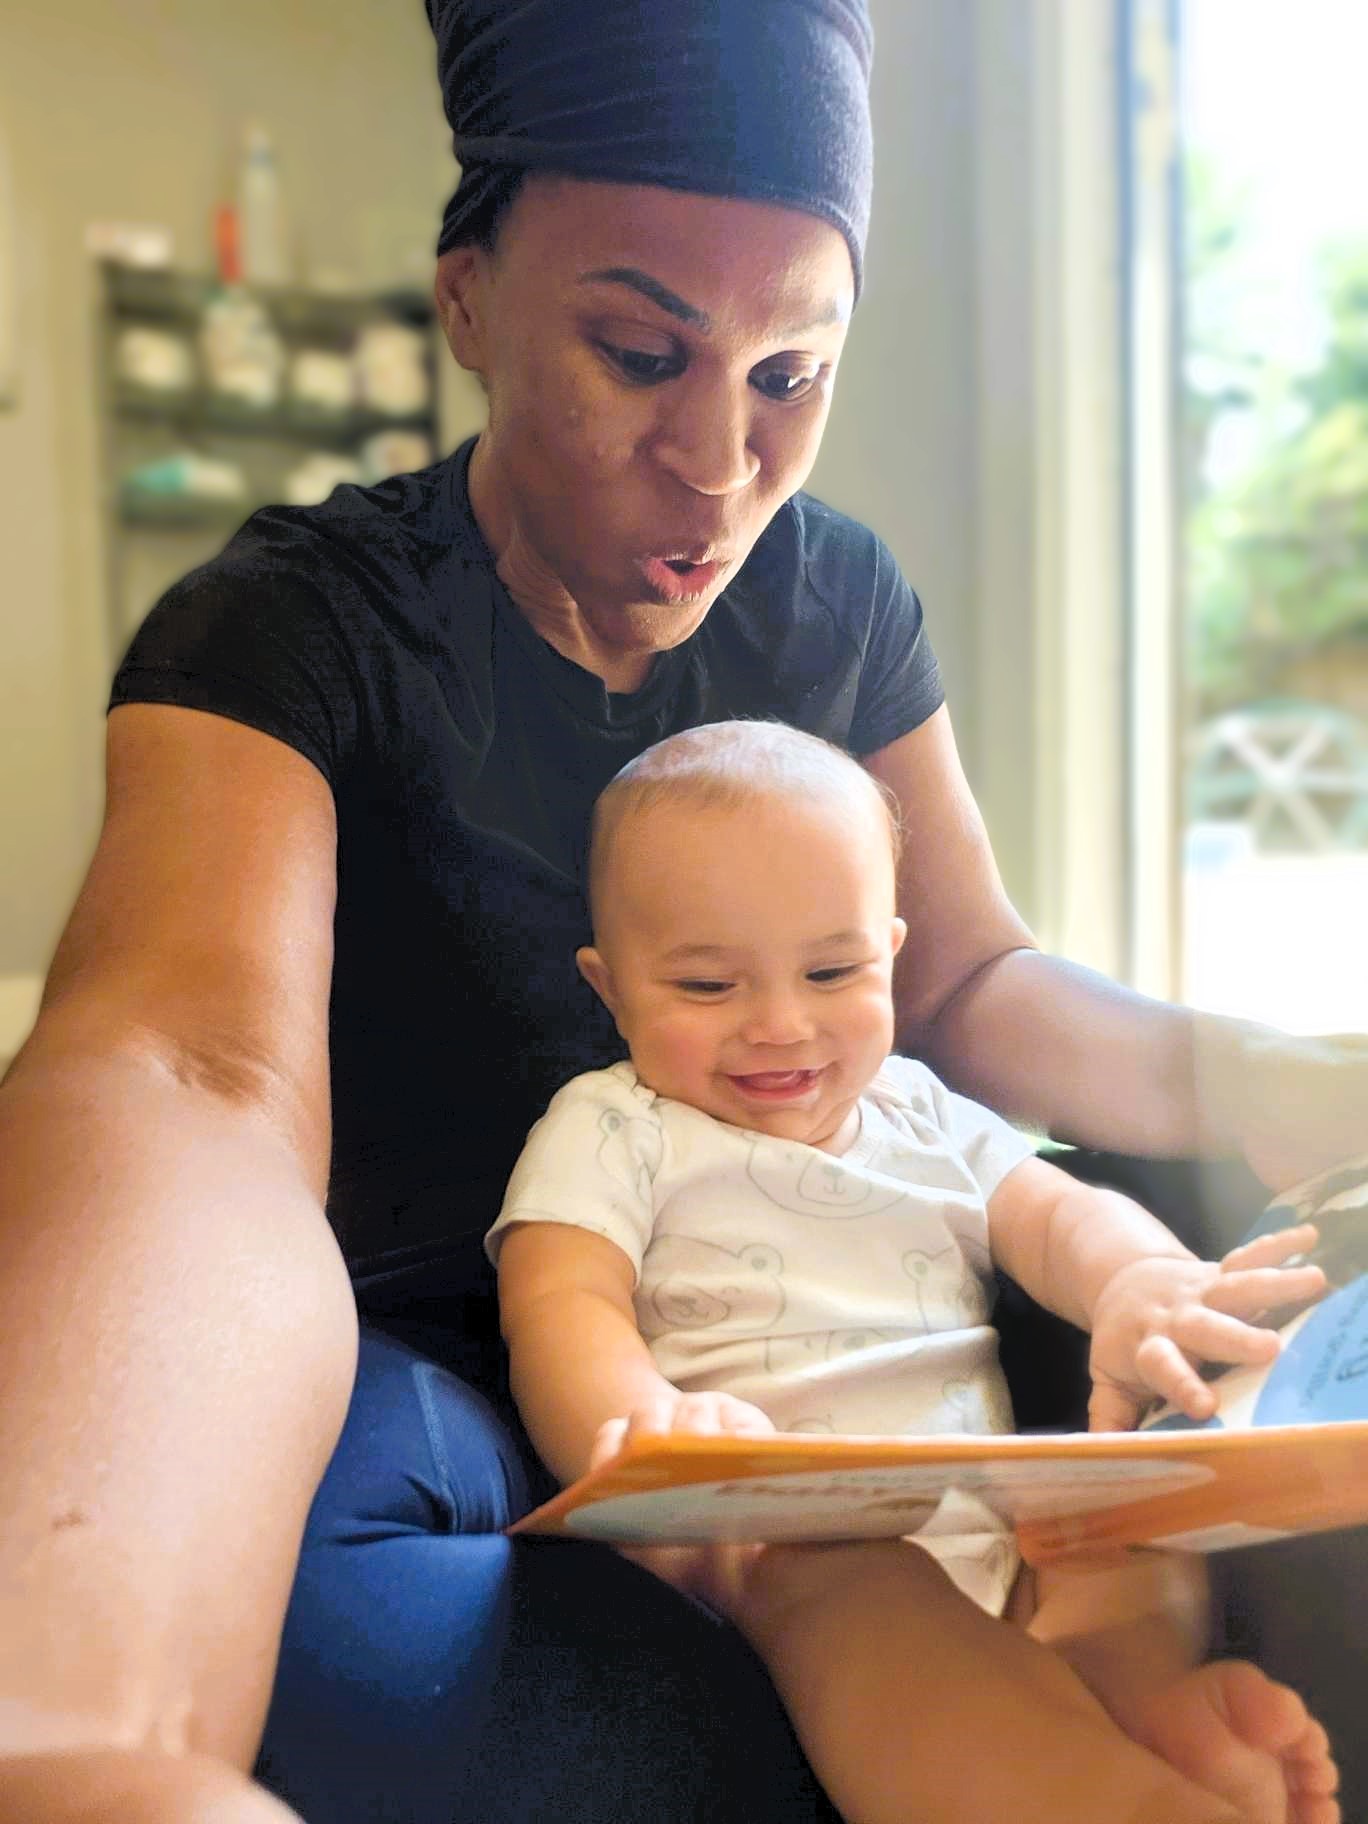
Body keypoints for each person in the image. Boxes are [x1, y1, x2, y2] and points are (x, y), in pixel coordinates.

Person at [1, 1, 1365, 1819]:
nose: (719, 465)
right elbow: (188, 1074)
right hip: (466, 1366)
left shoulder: (830, 598)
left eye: (789, 373)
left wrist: (1261, 1077)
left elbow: (966, 973)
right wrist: (83, 1711)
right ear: (469, 299)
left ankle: (1099, 1703)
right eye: (641, 352)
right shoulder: (300, 625)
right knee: (368, 1660)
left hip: (840, 1318)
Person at [489, 719, 1340, 1824]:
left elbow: (1057, 1214)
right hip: (761, 1538)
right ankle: (1108, 1799)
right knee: (865, 1585)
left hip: (985, 1512)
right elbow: (561, 1300)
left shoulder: (920, 1111)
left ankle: (1150, 1714)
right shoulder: (615, 1126)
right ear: (611, 989)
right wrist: (645, 1416)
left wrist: (1138, 1281)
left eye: (833, 971)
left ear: (890, 952)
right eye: (706, 987)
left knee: (1122, 1543)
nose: (780, 1024)